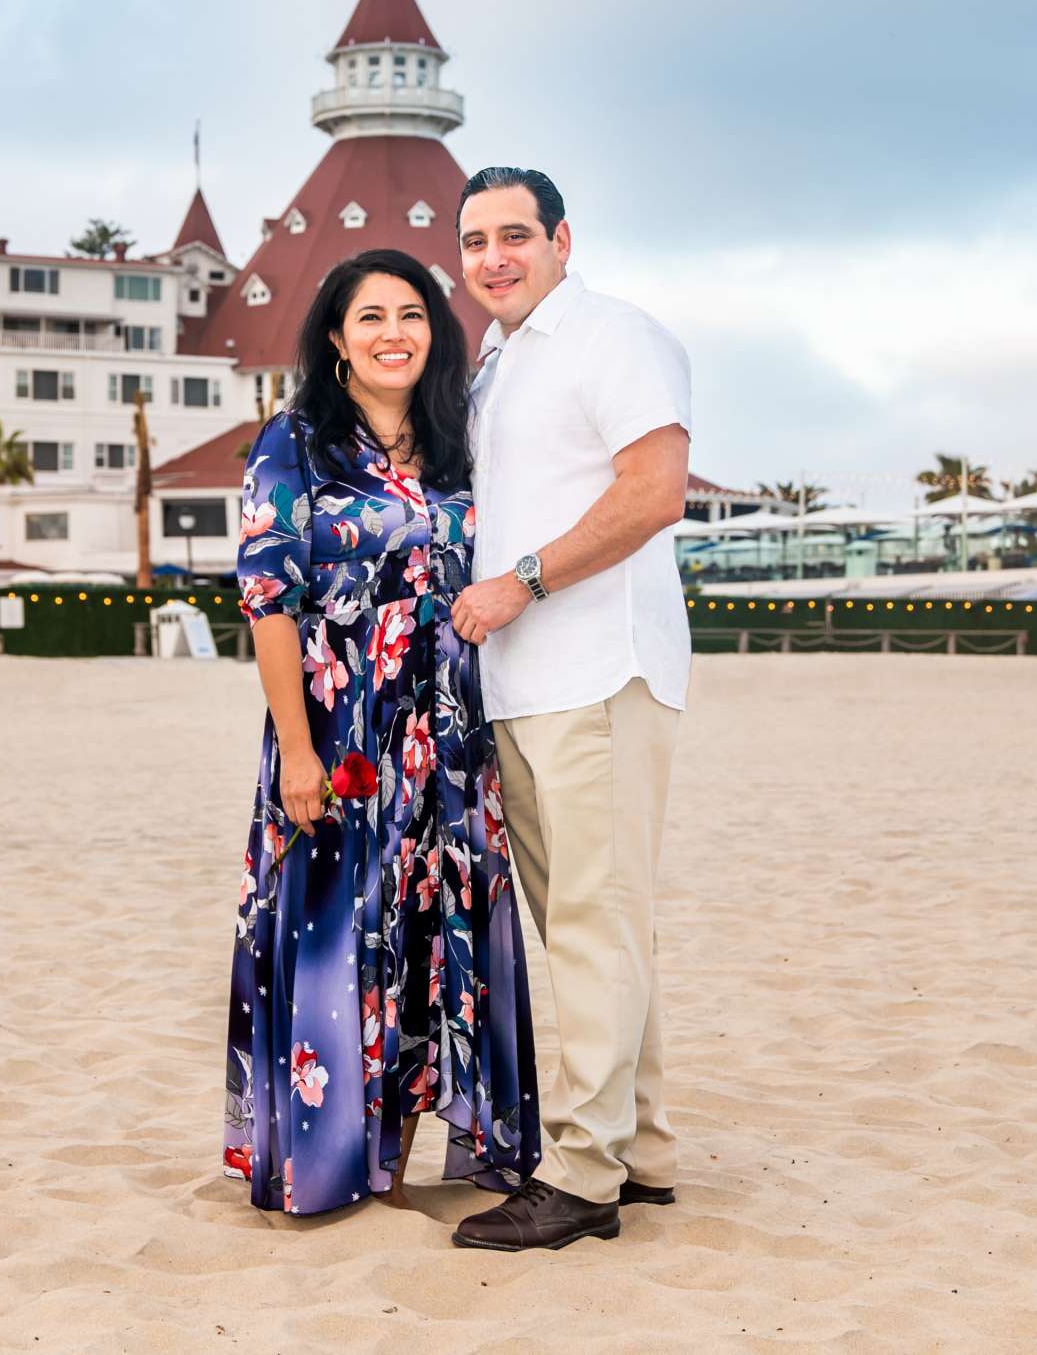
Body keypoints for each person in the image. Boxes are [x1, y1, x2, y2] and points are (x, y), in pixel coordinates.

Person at [222, 248, 541, 1217]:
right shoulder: (295, 444)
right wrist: (301, 749)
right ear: (336, 340)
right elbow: (268, 599)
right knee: (336, 938)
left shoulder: (460, 446)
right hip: (340, 737)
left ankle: (406, 1153)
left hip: (446, 745)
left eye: (411, 313)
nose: (394, 332)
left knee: (430, 941)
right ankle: (327, 1163)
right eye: (371, 317)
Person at [446, 167, 694, 1252]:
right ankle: (639, 1148)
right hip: (525, 686)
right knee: (593, 927)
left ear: (561, 238)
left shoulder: (615, 337)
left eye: (515, 235)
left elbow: (654, 492)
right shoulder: (497, 363)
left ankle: (584, 1174)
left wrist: (524, 582)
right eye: (474, 241)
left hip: (597, 672)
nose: (494, 257)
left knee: (594, 924)